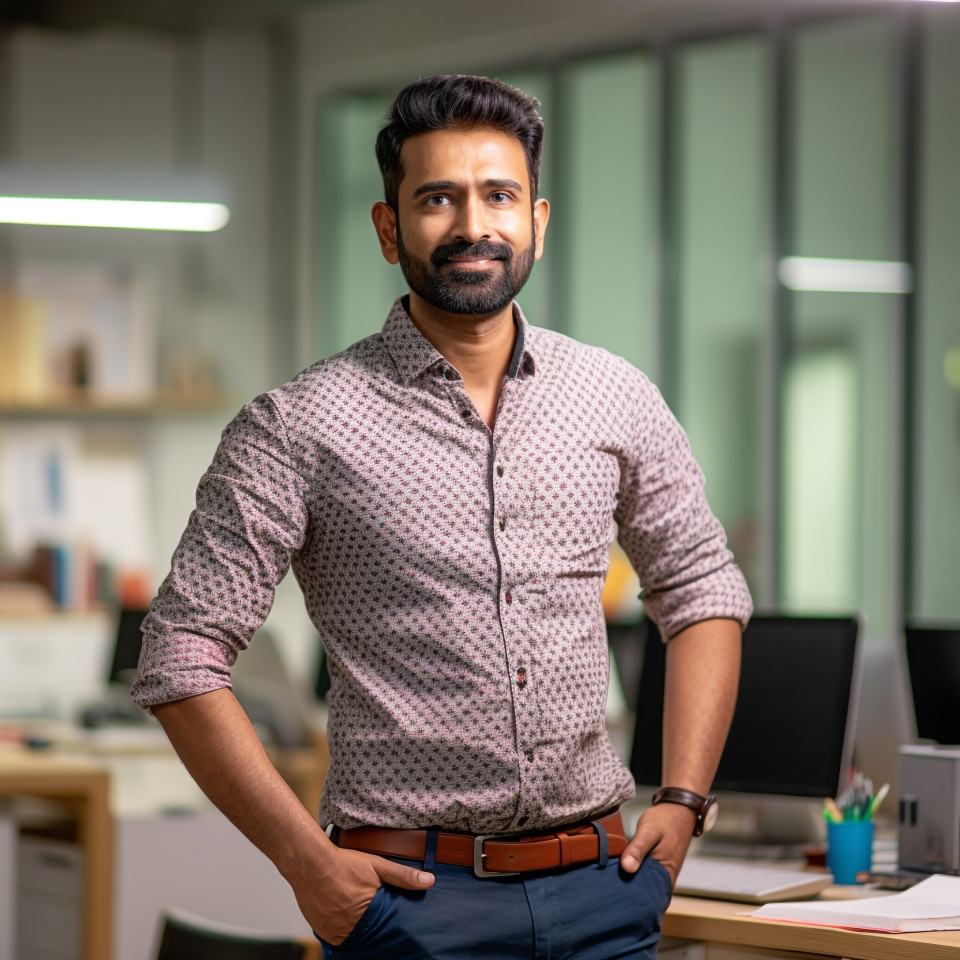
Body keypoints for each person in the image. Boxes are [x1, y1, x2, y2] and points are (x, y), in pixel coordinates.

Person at [132, 74, 752, 959]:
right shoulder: (299, 424)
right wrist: (304, 861)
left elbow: (700, 590)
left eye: (498, 195)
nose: (472, 225)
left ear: (538, 218)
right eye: (437, 199)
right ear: (390, 230)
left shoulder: (615, 397)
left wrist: (684, 801)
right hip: (413, 908)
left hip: (604, 891)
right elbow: (181, 654)